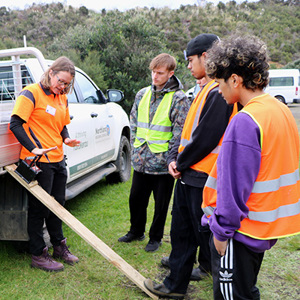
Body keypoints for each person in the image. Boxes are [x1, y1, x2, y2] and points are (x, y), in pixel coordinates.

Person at [202, 35, 300, 299]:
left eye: (220, 82)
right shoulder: (280, 110)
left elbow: (233, 188)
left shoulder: (245, 121)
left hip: (239, 232)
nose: (218, 90)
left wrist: (221, 234)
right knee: (246, 290)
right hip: (262, 230)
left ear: (234, 79)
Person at [144, 34, 237, 298]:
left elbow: (205, 137)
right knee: (182, 233)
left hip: (202, 176)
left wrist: (180, 162)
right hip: (190, 174)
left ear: (206, 57)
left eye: (190, 60)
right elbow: (188, 132)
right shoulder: (205, 89)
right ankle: (176, 283)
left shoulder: (219, 91)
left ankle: (221, 286)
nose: (187, 66)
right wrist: (175, 159)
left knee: (200, 236)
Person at [10, 56, 80, 272]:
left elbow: (62, 126)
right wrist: (33, 148)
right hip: (39, 162)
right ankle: (38, 254)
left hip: (58, 158)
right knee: (39, 209)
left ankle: (59, 246)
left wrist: (66, 138)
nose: (63, 86)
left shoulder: (62, 97)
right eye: (60, 81)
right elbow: (16, 123)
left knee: (58, 205)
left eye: (67, 84)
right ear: (51, 73)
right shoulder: (31, 93)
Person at [118, 53, 189, 252]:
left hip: (163, 163)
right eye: (153, 72)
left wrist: (172, 159)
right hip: (141, 160)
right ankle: (136, 231)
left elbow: (179, 133)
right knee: (136, 199)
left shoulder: (179, 99)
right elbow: (133, 123)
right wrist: (135, 150)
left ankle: (155, 238)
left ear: (170, 73)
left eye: (159, 73)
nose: (154, 76)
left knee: (161, 205)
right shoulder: (142, 94)